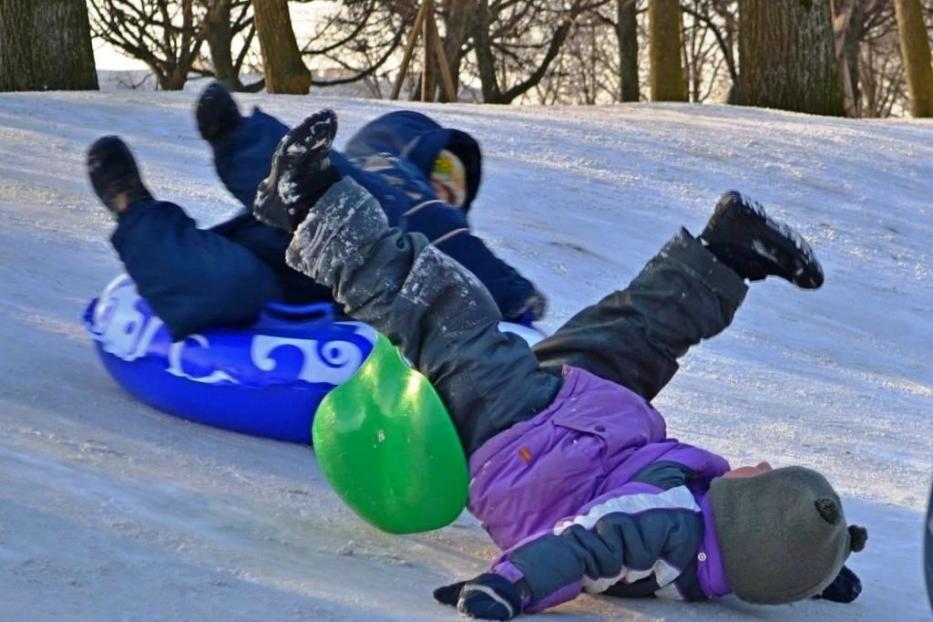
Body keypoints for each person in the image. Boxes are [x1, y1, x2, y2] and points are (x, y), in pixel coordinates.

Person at [88, 110, 864, 618]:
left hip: (517, 441)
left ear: (746, 505)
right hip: (585, 424)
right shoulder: (722, 533)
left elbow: (584, 545)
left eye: (763, 474)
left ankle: (314, 209)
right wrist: (817, 563)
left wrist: (506, 587)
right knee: (639, 332)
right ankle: (726, 251)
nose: (753, 461)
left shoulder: (657, 521)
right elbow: (771, 547)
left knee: (442, 311)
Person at [85, 83, 544, 341]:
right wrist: (518, 298)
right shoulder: (400, 197)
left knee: (229, 286)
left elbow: (468, 275)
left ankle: (137, 211)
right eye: (440, 169)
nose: (446, 190)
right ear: (398, 157)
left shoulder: (438, 235)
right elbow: (479, 272)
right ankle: (237, 141)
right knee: (346, 199)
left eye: (458, 187)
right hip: (295, 239)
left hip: (297, 292)